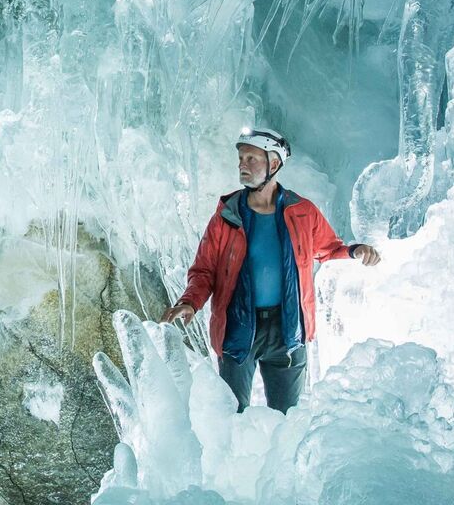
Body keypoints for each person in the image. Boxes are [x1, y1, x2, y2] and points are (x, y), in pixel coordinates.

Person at [160, 127, 380, 413]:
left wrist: (354, 250)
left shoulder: (303, 211)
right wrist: (190, 302)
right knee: (231, 415)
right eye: (241, 158)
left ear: (273, 164)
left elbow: (328, 248)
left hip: (287, 330)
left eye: (252, 158)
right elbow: (204, 270)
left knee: (286, 420)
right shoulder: (227, 216)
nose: (243, 165)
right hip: (238, 328)